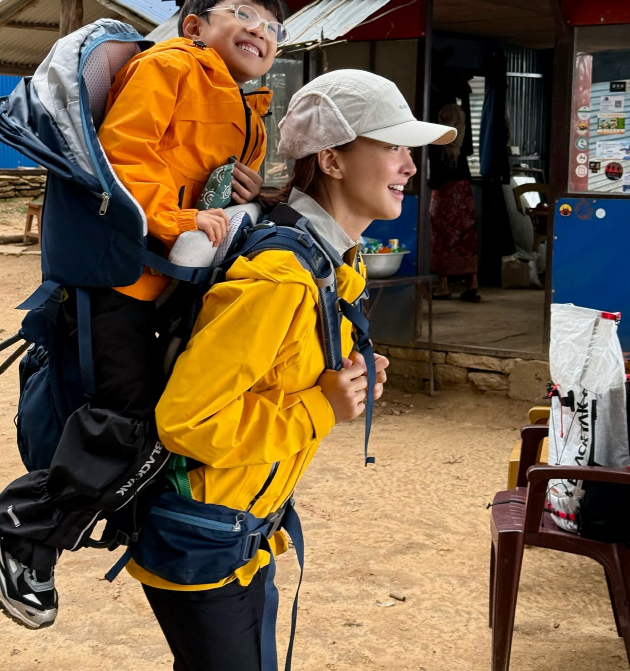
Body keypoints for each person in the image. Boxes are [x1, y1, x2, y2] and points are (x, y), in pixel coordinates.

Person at [0, 0, 289, 629]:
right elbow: (127, 156)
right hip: (120, 276)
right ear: (195, 26)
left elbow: (204, 184)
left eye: (274, 26)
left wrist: (238, 193)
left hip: (167, 287)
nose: (261, 28)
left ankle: (18, 521)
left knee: (152, 426)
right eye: (242, 13)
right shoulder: (170, 65)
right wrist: (183, 221)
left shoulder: (250, 111)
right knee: (126, 419)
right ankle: (21, 530)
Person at [131, 69, 456, 670]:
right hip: (204, 538)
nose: (410, 166)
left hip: (247, 532)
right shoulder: (283, 275)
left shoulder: (331, 262)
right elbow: (186, 421)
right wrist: (322, 407)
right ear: (331, 160)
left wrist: (339, 382)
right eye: (391, 147)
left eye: (409, 150)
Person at [429, 91, 480, 303]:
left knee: (441, 237)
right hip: (464, 191)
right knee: (466, 237)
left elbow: (434, 171)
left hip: (443, 192)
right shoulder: (462, 140)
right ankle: (472, 282)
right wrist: (465, 99)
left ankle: (443, 285)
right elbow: (467, 146)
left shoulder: (437, 140)